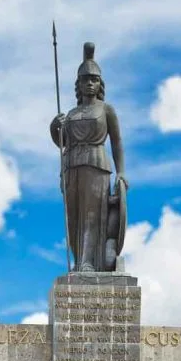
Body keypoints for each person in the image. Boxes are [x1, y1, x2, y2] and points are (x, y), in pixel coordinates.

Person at [50, 42, 127, 272]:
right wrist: (54, 128)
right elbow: (63, 143)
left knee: (91, 216)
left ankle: (87, 262)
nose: (90, 84)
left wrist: (121, 172)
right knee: (73, 218)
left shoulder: (106, 110)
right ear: (79, 84)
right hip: (71, 166)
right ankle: (78, 261)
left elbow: (117, 142)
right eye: (86, 80)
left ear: (100, 83)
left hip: (96, 164)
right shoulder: (71, 114)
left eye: (94, 79)